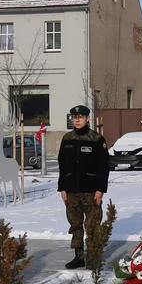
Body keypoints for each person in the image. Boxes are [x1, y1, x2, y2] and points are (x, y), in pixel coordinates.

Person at [58, 105, 110, 270]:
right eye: (75, 117)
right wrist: (62, 188)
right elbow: (62, 165)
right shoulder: (67, 138)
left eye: (81, 117)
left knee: (93, 225)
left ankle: (93, 257)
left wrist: (100, 189)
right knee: (75, 224)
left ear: (87, 118)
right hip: (72, 191)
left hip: (91, 191)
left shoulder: (96, 139)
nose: (77, 120)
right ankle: (79, 256)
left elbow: (104, 167)